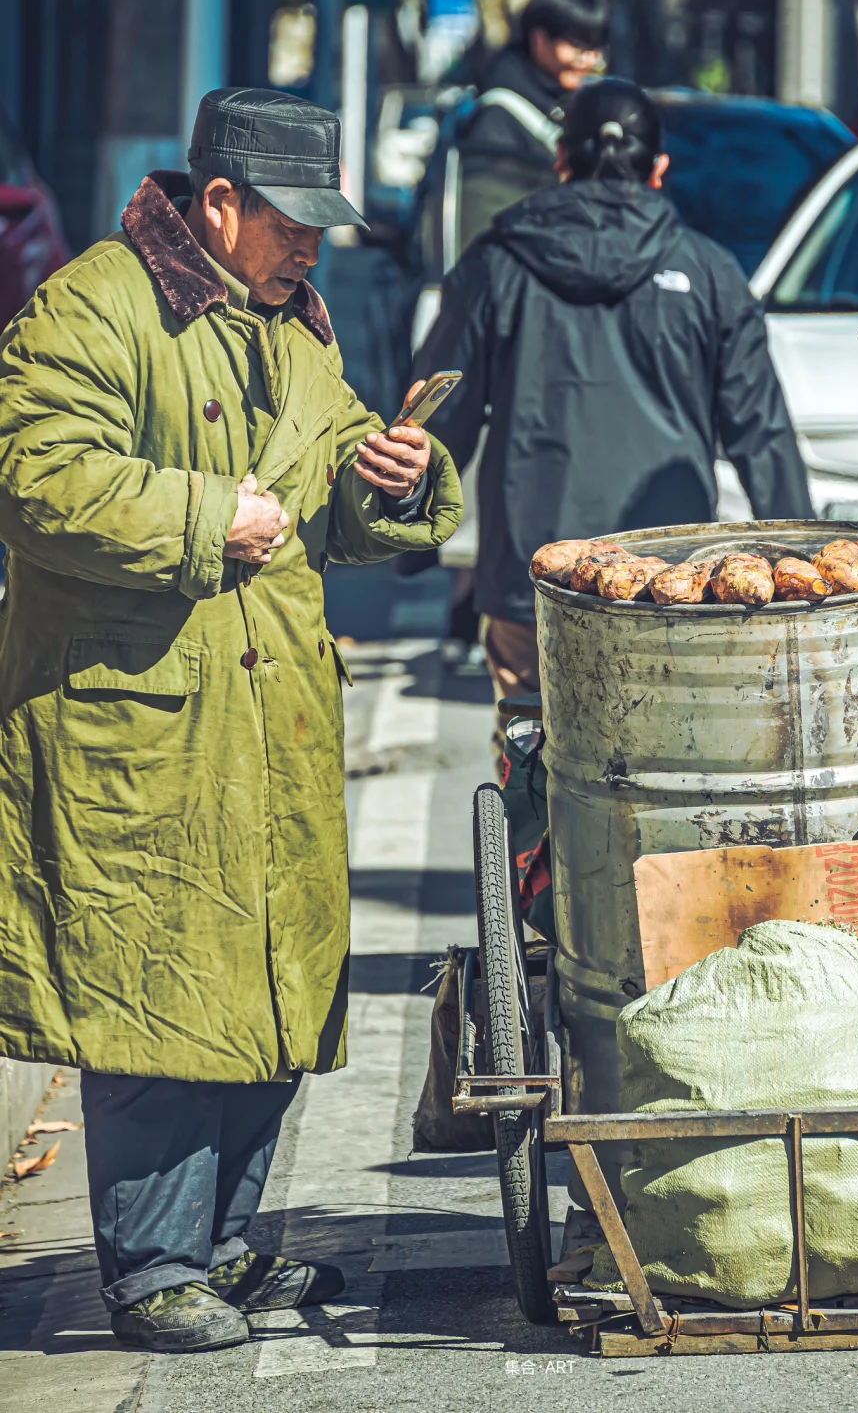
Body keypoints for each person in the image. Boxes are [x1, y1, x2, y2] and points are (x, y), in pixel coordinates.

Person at [0, 87, 462, 1352]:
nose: (312, 247)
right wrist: (211, 519)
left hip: (273, 715)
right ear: (218, 205)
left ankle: (226, 1241)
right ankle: (151, 1267)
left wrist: (401, 479)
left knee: (263, 991)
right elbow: (38, 473)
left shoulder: (294, 330)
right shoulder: (96, 302)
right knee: (154, 993)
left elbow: (338, 485)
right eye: (292, 223)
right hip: (139, 721)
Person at [413, 77, 812, 729]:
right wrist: (802, 563)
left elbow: (437, 409)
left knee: (533, 753)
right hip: (669, 579)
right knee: (664, 754)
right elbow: (760, 432)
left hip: (532, 573)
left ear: (560, 163)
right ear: (659, 170)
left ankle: (526, 828)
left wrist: (408, 539)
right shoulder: (709, 273)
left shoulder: (496, 264)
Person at [455, 0, 608, 253]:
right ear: (539, 39)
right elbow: (484, 220)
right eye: (577, 45)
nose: (589, 61)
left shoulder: (570, 103)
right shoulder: (499, 114)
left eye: (596, 48)